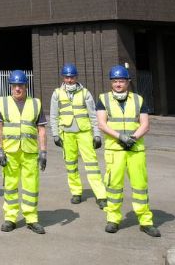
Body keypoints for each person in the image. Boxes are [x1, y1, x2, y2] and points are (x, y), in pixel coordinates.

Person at [96, 65, 161, 237]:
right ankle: (113, 219)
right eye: (115, 81)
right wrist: (120, 137)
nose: (118, 84)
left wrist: (132, 138)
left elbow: (145, 124)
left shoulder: (138, 100)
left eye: (121, 81)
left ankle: (145, 221)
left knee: (140, 186)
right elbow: (102, 124)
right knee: (113, 186)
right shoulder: (103, 99)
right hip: (115, 149)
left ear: (128, 82)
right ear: (111, 82)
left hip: (135, 149)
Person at [0, 70, 48, 234]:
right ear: (10, 86)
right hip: (10, 152)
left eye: (21, 85)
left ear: (26, 86)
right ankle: (10, 218)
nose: (17, 89)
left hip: (30, 152)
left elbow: (42, 130)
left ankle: (31, 219)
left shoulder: (36, 103)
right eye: (14, 85)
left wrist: (43, 152)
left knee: (31, 187)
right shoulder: (3, 103)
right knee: (10, 185)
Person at [49, 63, 106, 208]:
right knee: (70, 165)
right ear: (63, 77)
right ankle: (76, 192)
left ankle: (101, 195)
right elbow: (54, 116)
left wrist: (97, 134)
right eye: (67, 77)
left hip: (84, 133)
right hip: (67, 134)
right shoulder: (57, 93)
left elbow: (93, 115)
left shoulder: (85, 93)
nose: (69, 80)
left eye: (72, 77)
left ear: (76, 77)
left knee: (92, 164)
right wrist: (55, 134)